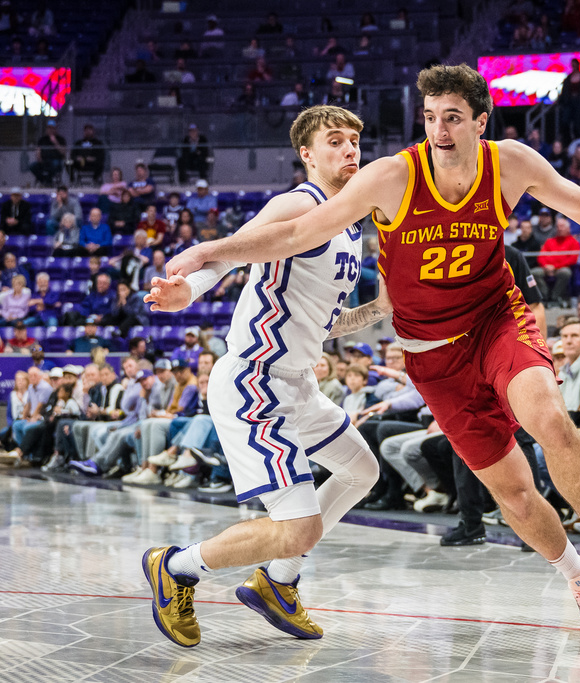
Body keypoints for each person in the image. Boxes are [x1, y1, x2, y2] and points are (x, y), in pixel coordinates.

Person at [164, 65, 580, 634]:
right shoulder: (388, 180)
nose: (439, 130)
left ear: (481, 120)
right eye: (430, 117)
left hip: (495, 319)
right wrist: (204, 256)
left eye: (453, 117)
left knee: (548, 417)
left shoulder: (509, 163)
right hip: (424, 354)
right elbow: (289, 236)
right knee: (514, 494)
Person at [139, 106, 393, 646]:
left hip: (297, 384)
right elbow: (238, 250)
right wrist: (195, 284)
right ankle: (177, 566)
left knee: (361, 471)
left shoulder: (349, 225)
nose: (351, 150)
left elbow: (323, 322)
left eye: (355, 141)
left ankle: (277, 583)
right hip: (255, 381)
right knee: (298, 527)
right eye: (335, 141)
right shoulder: (300, 202)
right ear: (307, 154)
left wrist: (377, 309)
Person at [533, 216, 580, 306]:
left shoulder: (574, 242)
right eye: (558, 226)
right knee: (534, 272)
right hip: (547, 268)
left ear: (568, 228)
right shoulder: (549, 241)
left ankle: (554, 297)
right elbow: (541, 257)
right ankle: (545, 296)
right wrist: (546, 266)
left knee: (565, 273)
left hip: (561, 268)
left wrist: (555, 267)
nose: (559, 229)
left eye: (562, 226)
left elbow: (572, 259)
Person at [28, 120, 67, 186]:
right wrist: (39, 157)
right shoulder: (42, 139)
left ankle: (48, 182)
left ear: (55, 129)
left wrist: (55, 142)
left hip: (56, 161)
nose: (51, 130)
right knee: (33, 166)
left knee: (54, 165)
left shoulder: (60, 139)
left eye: (52, 128)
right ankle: (44, 180)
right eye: (49, 128)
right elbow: (38, 150)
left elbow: (63, 152)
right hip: (44, 161)